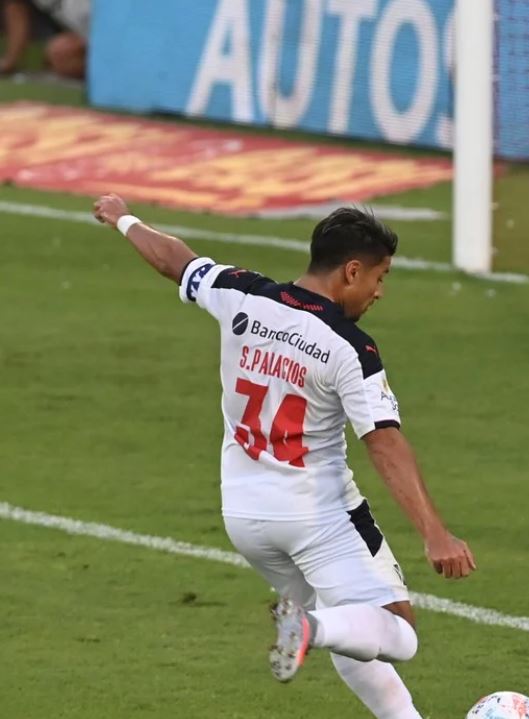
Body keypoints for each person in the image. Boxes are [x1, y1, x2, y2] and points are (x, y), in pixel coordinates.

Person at [92, 193, 477, 718]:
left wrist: (123, 219)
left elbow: (174, 260)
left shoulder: (242, 293)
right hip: (316, 516)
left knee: (346, 628)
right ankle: (311, 628)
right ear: (351, 270)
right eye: (379, 278)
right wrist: (435, 533)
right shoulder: (349, 347)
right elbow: (384, 442)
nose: (379, 292)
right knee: (397, 632)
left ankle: (326, 639)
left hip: (246, 518)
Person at [1, 0, 89, 79]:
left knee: (60, 51)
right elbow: (16, 11)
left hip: (97, 31)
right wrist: (9, 61)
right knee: (59, 51)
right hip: (83, 32)